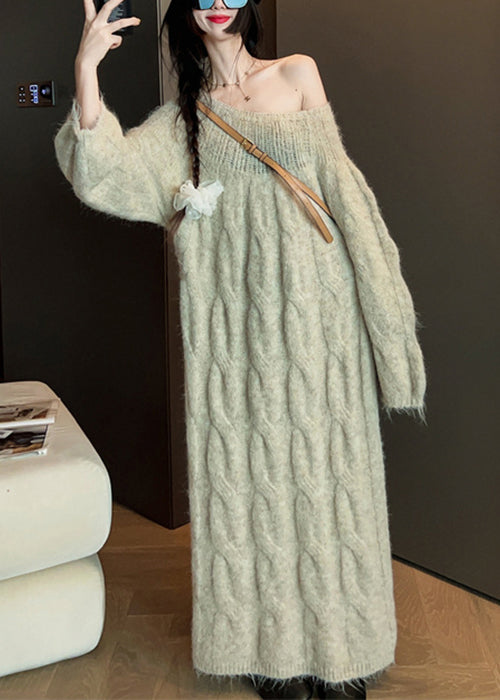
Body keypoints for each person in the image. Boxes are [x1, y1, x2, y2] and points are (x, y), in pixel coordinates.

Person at [53, 1, 428, 698]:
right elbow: (106, 173)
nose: (219, 3)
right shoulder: (185, 121)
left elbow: (345, 191)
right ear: (189, 11)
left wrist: (387, 316)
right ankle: (272, 651)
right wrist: (85, 68)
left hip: (322, 320)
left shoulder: (297, 74)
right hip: (239, 330)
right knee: (256, 483)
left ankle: (346, 649)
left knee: (333, 478)